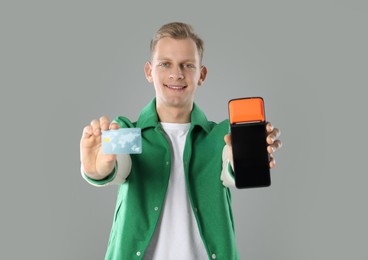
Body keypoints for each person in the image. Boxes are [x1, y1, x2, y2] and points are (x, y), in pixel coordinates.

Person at [80, 22, 281, 260]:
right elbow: (117, 167)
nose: (176, 74)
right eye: (165, 64)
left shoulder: (222, 136)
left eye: (187, 65)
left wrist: (245, 163)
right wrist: (97, 169)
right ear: (148, 72)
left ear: (201, 75)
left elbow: (230, 167)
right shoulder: (127, 131)